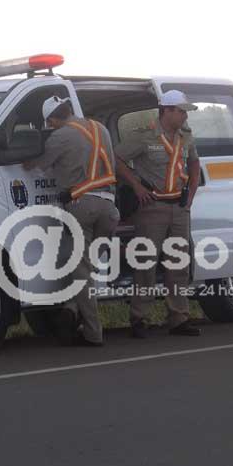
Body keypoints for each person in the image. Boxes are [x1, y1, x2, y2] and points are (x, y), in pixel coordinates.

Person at [25, 96, 120, 346]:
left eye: (50, 123)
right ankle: (71, 307)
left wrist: (25, 159)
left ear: (52, 119)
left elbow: (37, 167)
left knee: (81, 272)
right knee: (87, 264)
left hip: (82, 207)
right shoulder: (100, 128)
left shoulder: (59, 137)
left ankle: (93, 334)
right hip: (110, 208)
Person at [114, 90, 201, 338]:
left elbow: (194, 163)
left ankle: (179, 318)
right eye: (181, 111)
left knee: (179, 264)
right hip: (152, 207)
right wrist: (136, 185)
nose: (185, 116)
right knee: (146, 263)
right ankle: (139, 318)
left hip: (179, 207)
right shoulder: (144, 136)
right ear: (167, 111)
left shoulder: (186, 136)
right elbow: (116, 158)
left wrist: (191, 194)